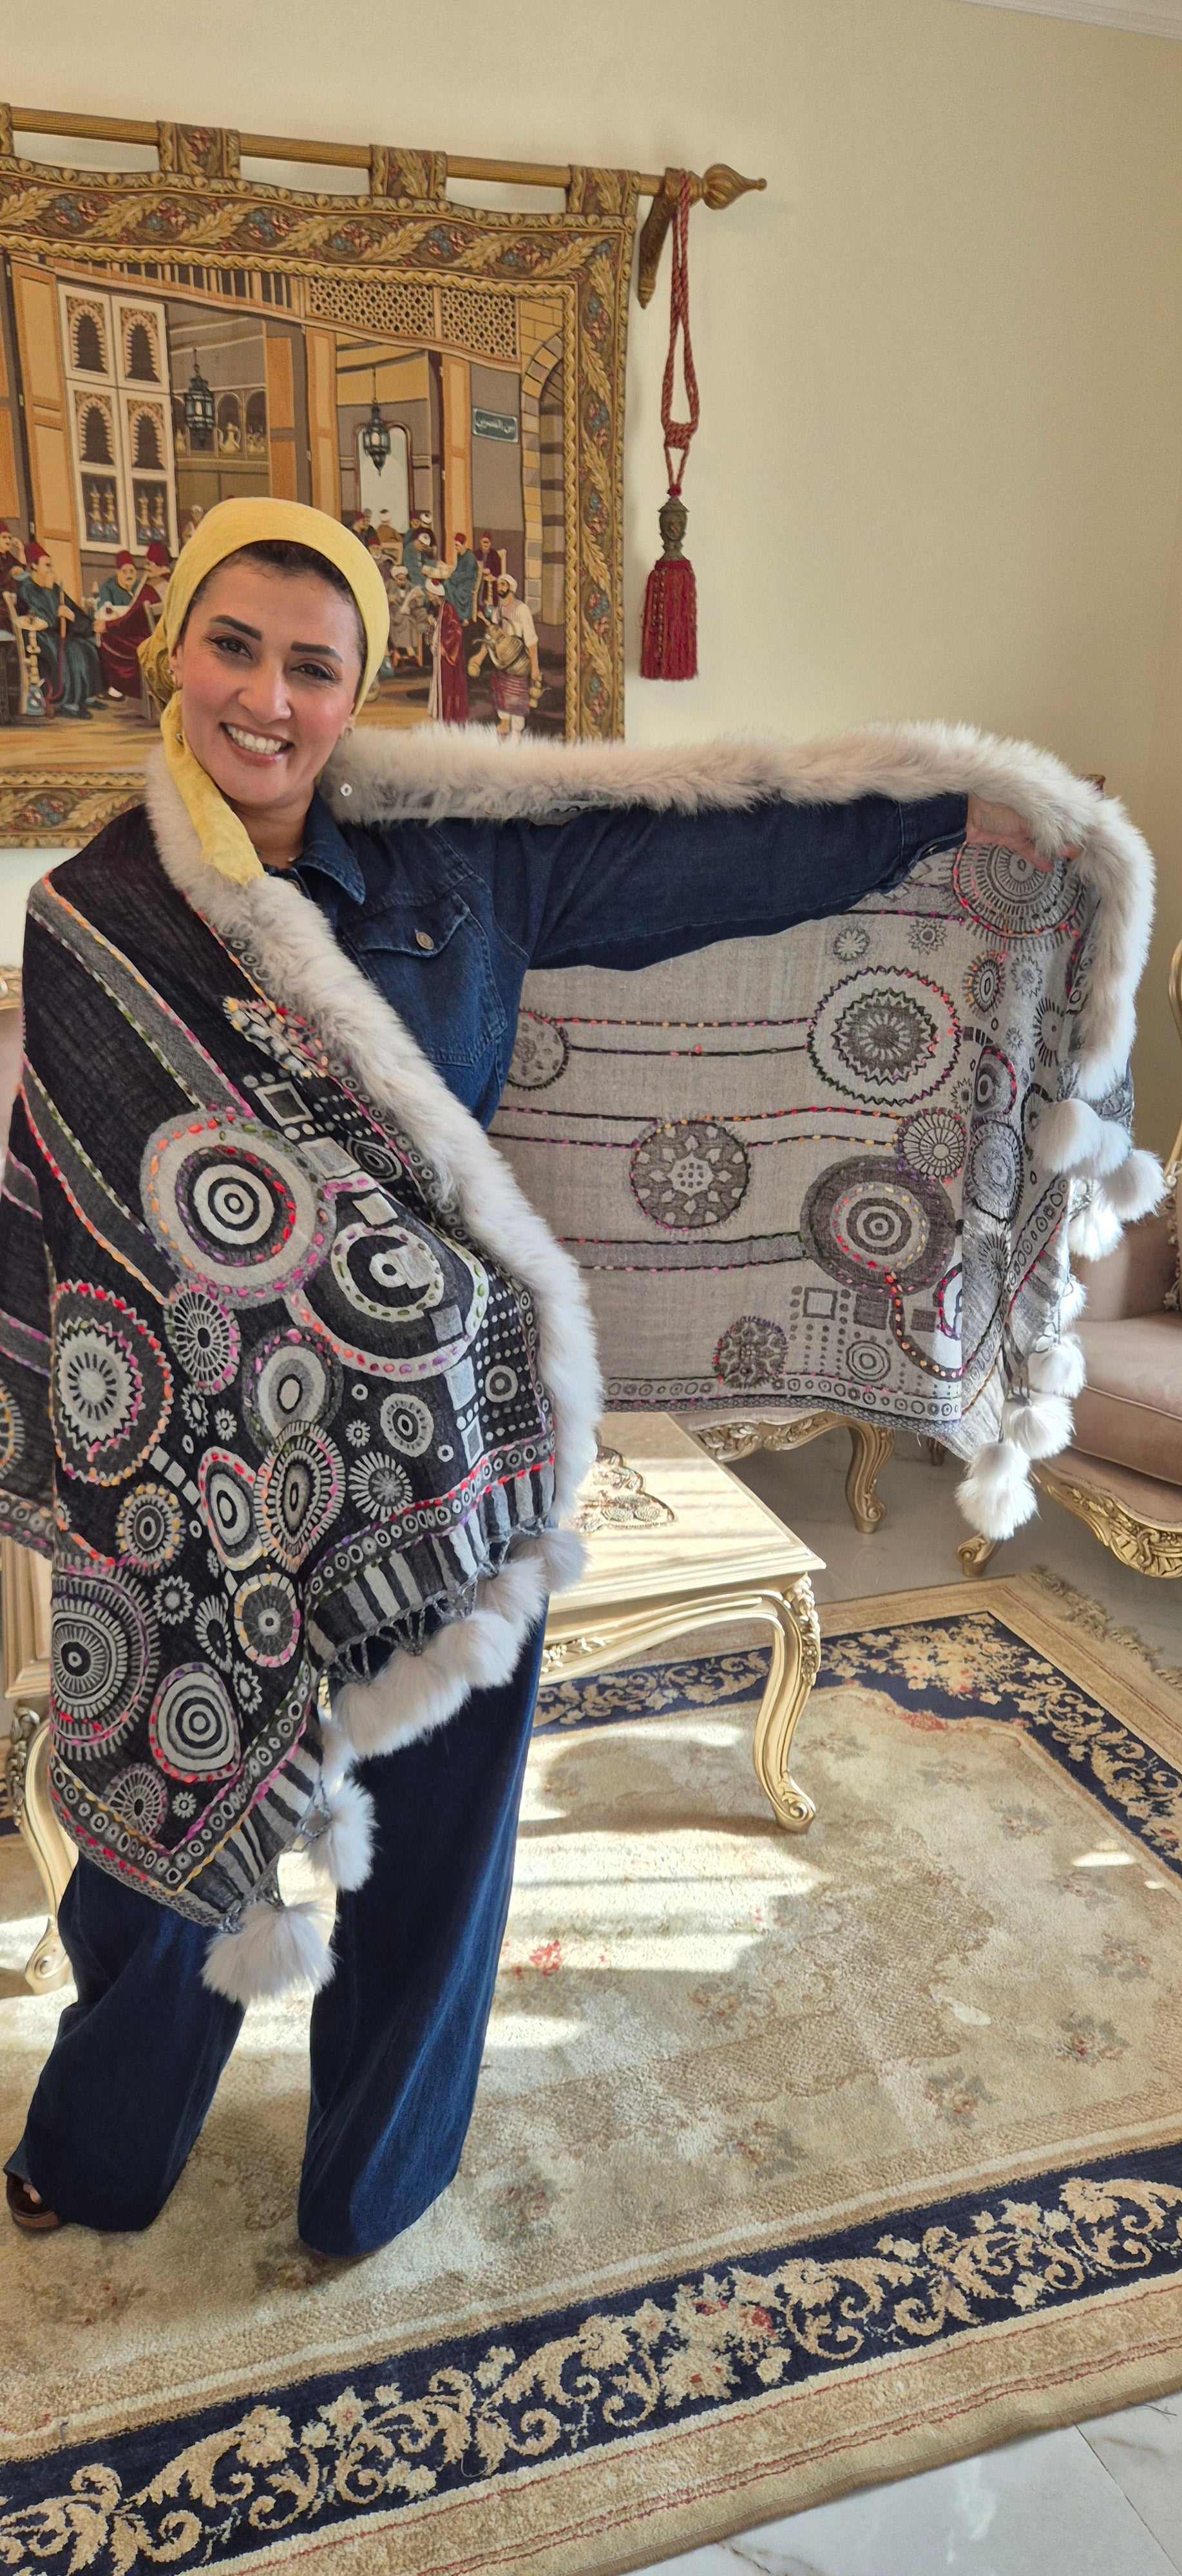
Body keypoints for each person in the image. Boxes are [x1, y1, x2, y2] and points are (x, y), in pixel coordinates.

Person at [0, 495, 1016, 2257]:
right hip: (196, 1462)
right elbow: (92, 1221)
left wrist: (949, 808)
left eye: (313, 667)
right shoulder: (93, 913)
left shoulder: (456, 868)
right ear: (171, 653)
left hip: (454, 1454)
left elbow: (717, 862)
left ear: (357, 693)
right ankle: (103, 2147)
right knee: (162, 1808)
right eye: (233, 646)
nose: (266, 698)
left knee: (438, 1833)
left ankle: (372, 2181)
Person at [15, 544, 102, 719]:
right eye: (47, 565)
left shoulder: (54, 587)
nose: (50, 569)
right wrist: (56, 610)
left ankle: (86, 697)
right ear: (34, 566)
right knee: (71, 652)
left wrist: (77, 619)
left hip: (56, 633)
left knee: (87, 647)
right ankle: (69, 702)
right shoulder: (27, 588)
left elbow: (74, 610)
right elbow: (42, 619)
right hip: (37, 634)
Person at [94, 548, 169, 701]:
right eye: (125, 571)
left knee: (108, 638)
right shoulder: (173, 582)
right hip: (168, 639)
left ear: (159, 564)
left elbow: (131, 619)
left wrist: (107, 626)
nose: (146, 568)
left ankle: (118, 690)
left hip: (150, 642)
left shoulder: (151, 587)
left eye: (149, 564)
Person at [473, 572, 540, 737]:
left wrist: (535, 668)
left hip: (518, 662)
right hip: (501, 663)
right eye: (499, 585)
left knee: (516, 703)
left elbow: (531, 640)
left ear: (511, 587)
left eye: (503, 585)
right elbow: (491, 637)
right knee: (502, 701)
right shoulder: (498, 611)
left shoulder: (522, 609)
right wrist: (479, 658)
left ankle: (517, 738)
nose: (500, 588)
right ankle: (503, 738)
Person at [424, 574, 469, 723]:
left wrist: (446, 647)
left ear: (435, 594)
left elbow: (457, 632)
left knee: (447, 685)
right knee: (441, 684)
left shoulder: (448, 608)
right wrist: (433, 623)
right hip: (440, 654)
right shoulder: (440, 608)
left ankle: (448, 716)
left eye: (429, 593)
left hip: (447, 654)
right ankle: (441, 715)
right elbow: (441, 626)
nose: (428, 596)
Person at [444, 533, 479, 625]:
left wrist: (454, 576)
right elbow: (458, 569)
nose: (456, 548)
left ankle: (463, 617)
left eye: (457, 545)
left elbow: (469, 574)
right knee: (446, 584)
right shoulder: (459, 554)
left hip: (469, 582)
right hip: (461, 579)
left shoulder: (470, 557)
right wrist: (452, 574)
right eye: (455, 545)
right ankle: (453, 614)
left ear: (463, 545)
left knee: (458, 591)